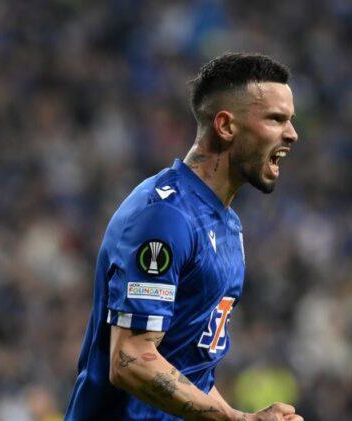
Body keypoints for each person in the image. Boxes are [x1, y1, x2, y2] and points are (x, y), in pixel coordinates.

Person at [65, 53, 303, 421]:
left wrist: (242, 417)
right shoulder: (165, 215)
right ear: (225, 126)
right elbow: (130, 360)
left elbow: (190, 369)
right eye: (276, 119)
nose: (292, 133)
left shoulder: (227, 226)